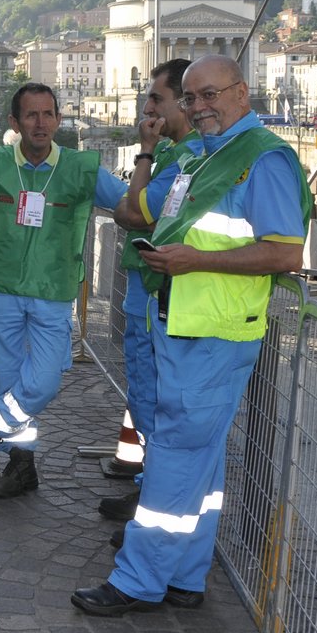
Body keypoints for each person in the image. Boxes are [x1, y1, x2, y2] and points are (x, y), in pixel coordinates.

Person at [71, 55, 311, 617]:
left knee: (176, 456)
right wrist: (147, 158)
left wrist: (195, 260)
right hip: (182, 326)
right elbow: (137, 210)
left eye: (210, 95)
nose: (199, 107)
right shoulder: (203, 160)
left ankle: (138, 579)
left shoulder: (263, 160)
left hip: (214, 333)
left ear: (242, 93)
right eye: (191, 98)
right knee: (199, 461)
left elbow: (285, 253)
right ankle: (184, 574)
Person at [0, 84, 129, 498]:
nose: (41, 123)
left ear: (58, 120)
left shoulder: (81, 168)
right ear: (15, 123)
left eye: (49, 114)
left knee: (42, 382)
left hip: (53, 290)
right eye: (31, 115)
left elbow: (129, 206)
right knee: (8, 383)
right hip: (1, 287)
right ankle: (21, 465)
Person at [98, 60, 195, 512]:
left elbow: (131, 213)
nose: (147, 106)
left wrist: (144, 151)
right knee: (146, 394)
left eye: (156, 98)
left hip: (156, 293)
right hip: (150, 290)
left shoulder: (179, 156)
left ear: (183, 100)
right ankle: (151, 488)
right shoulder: (182, 154)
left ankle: (156, 498)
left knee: (150, 394)